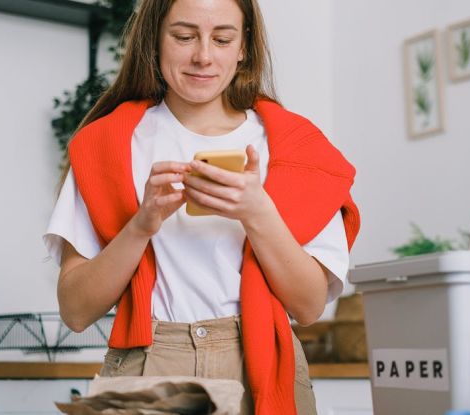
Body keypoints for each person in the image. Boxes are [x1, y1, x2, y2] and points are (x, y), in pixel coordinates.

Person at [43, 0, 360, 414]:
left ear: (244, 46)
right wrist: (142, 224)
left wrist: (257, 211)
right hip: (148, 361)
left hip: (260, 361)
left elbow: (308, 306)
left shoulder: (298, 150)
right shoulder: (107, 145)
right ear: (154, 40)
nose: (203, 56)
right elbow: (75, 310)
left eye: (223, 38)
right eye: (184, 36)